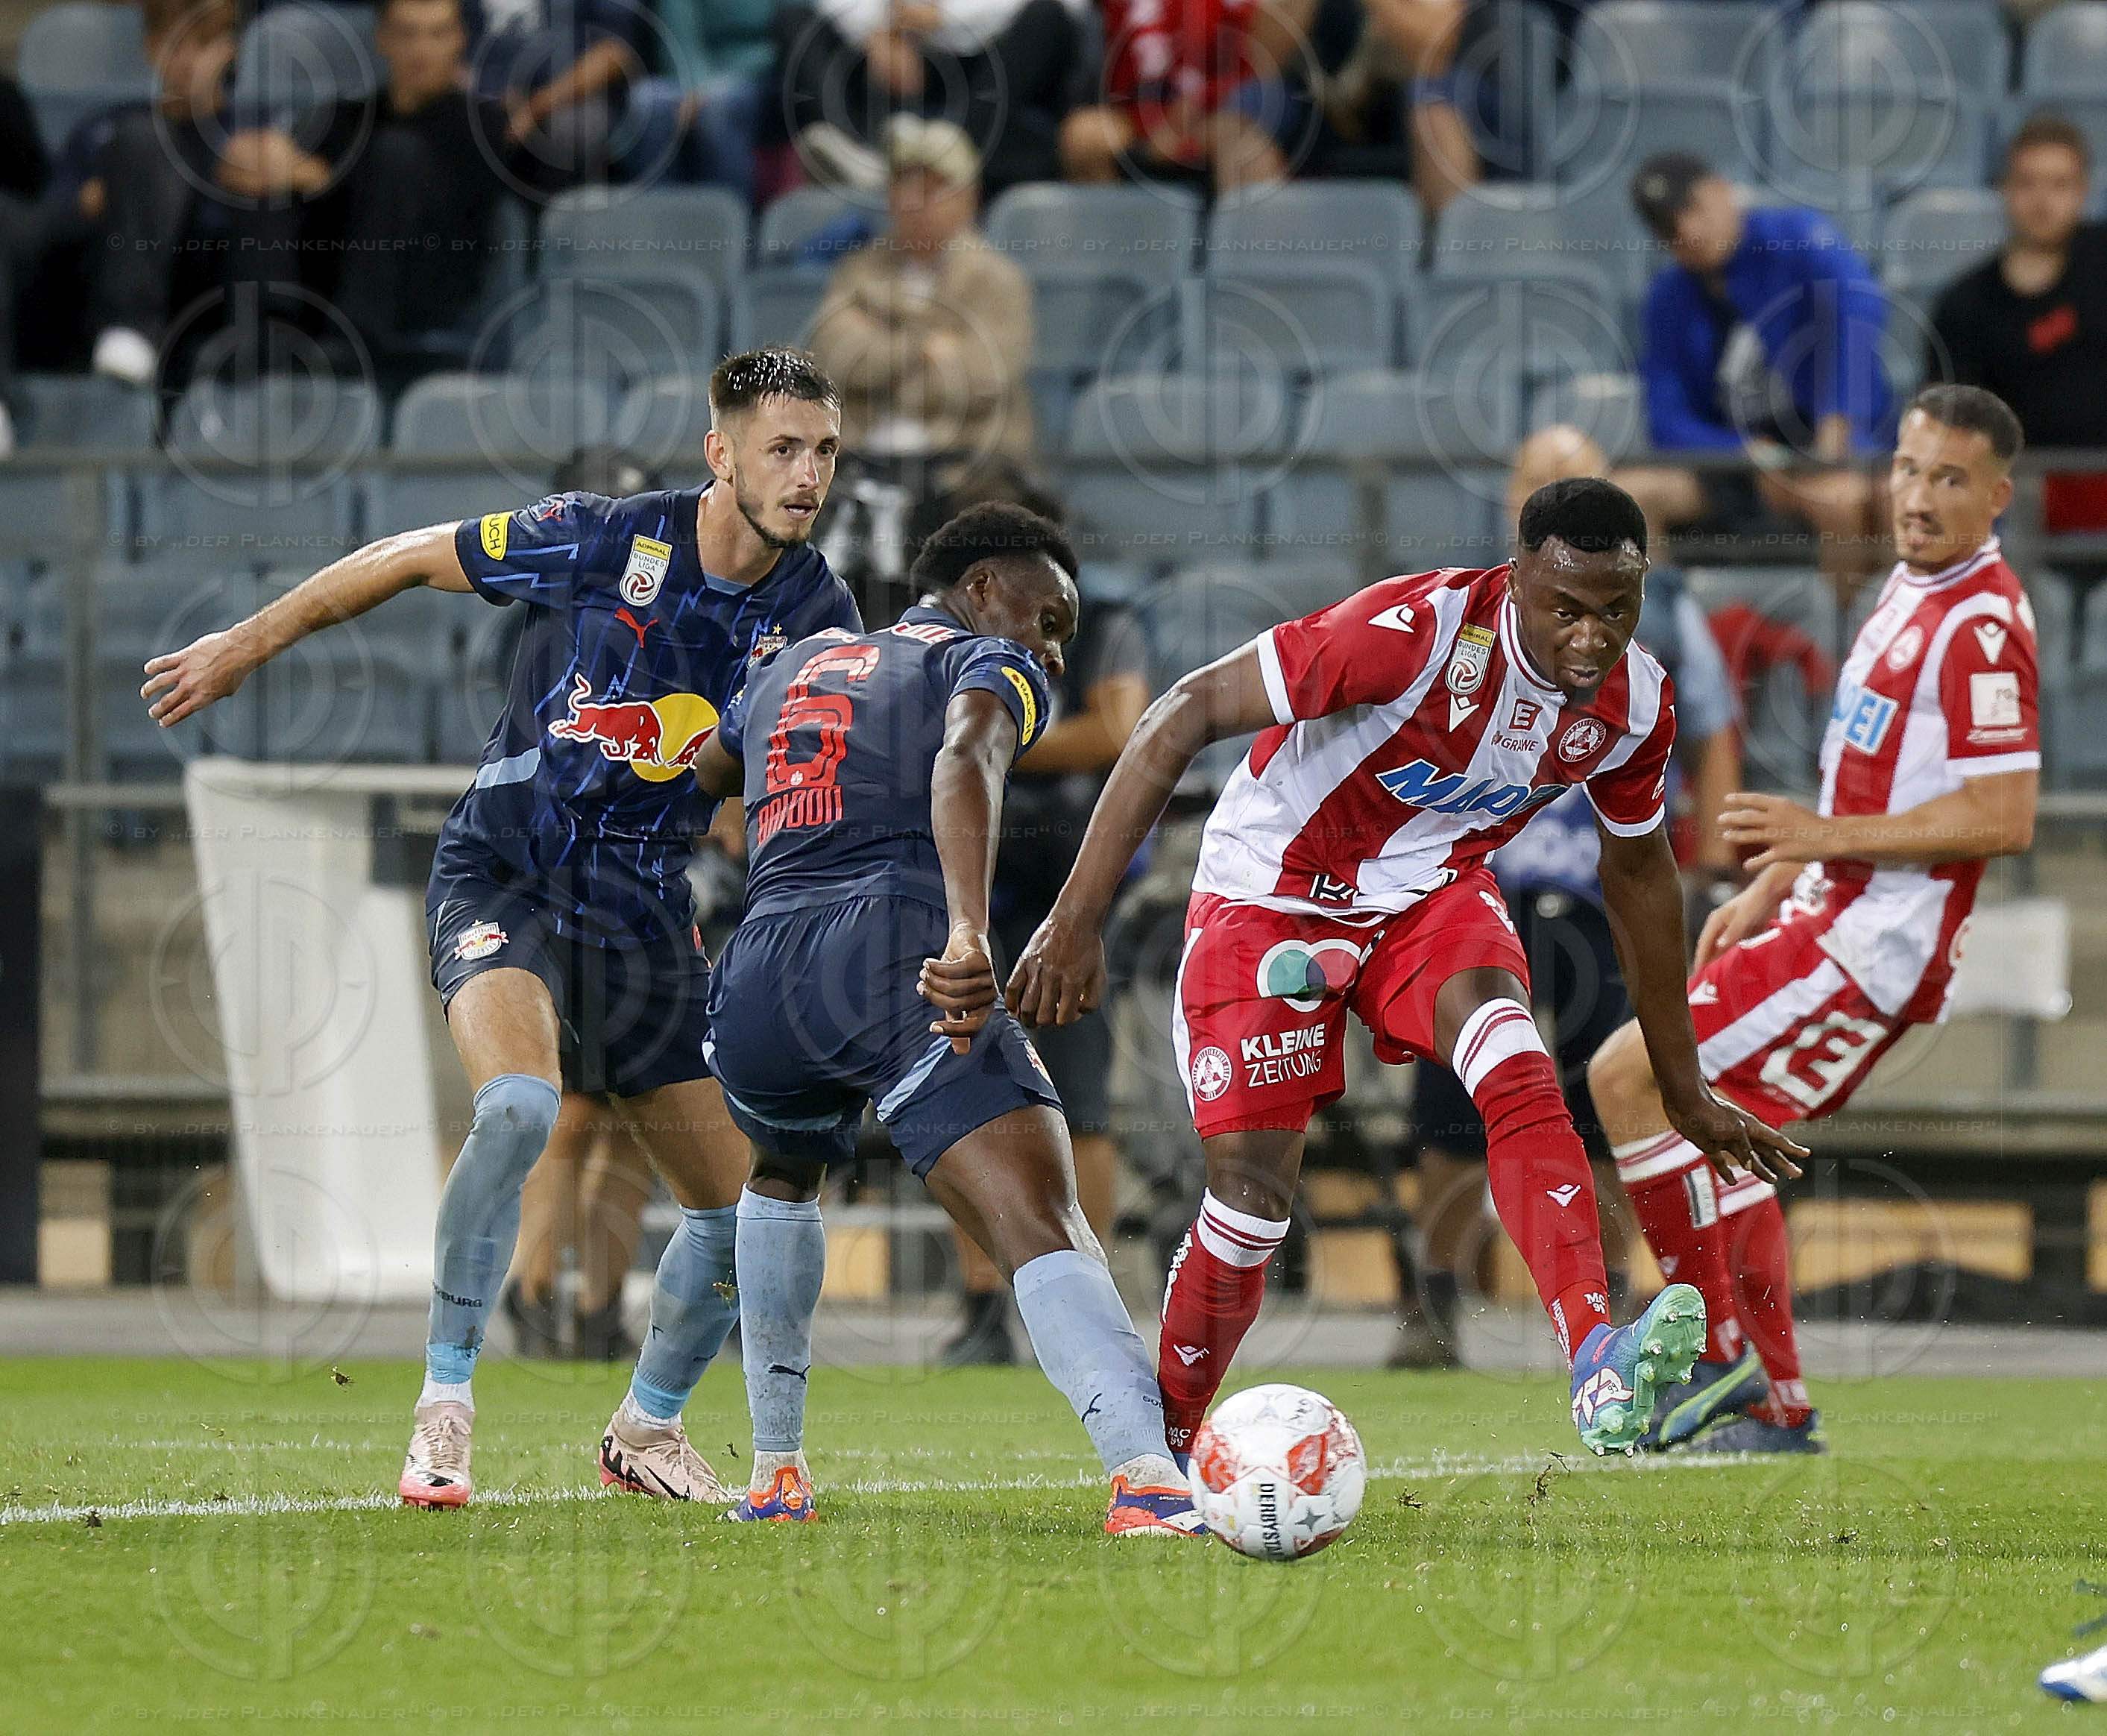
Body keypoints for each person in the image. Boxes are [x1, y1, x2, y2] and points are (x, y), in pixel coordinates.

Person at [139, 349, 861, 1508]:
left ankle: (646, 1427)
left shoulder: (822, 614)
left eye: (824, 450)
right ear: (719, 455)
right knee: (520, 1109)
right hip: (508, 870)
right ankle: (445, 1401)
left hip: (643, 910)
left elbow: (795, 775)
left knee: (742, 1215)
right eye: (782, 448)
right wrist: (242, 645)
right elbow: (402, 556)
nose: (808, 474)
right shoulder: (602, 536)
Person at [1010, 479, 1807, 1459]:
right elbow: (1183, 712)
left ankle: (1596, 1352)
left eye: (1616, 609)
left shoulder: (1635, 705)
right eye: (1566, 608)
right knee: (1252, 1200)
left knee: (1516, 1068)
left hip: (1428, 894)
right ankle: (1162, 1453)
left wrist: (1681, 1088)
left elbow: (1640, 874)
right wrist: (1075, 920)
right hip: (1272, 890)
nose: (1591, 638)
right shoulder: (1412, 634)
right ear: (1516, 579)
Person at [683, 502, 1203, 1535]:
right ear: (981, 590)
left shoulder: (793, 664)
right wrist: (969, 931)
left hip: (757, 975)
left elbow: (706, 769)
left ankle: (775, 1474)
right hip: (889, 951)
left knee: (783, 1173)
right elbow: (966, 758)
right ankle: (1146, 1477)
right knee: (1039, 1213)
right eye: (1047, 620)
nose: (1053, 651)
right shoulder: (983, 660)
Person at [1588, 384, 2042, 1455]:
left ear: (1996, 498)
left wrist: (1819, 841)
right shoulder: (1908, 588)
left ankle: (1716, 1361)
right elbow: (1879, 778)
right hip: (1828, 910)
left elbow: (2004, 814)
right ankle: (1773, 1407)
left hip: (1871, 939)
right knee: (1726, 1131)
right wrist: (1774, 881)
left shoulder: (1980, 624)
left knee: (1630, 1076)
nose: (1917, 496)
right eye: (1908, 469)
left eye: (1949, 479)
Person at [1399, 425, 1742, 1370]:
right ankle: (1432, 1300)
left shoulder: (1663, 610)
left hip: (1599, 889)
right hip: (1483, 882)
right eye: (1541, 479)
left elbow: (1712, 729)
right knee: (1449, 1104)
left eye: (1576, 476)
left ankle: (1620, 1296)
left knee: (1607, 1090)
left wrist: (1712, 857)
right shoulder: (1467, 607)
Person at [941, 505, 1150, 1365]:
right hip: (969, 890)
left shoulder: (1105, 620)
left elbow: (1120, 727)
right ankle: (983, 1310)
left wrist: (991, 742)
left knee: (1079, 1100)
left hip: (1068, 894)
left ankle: (1088, 1304)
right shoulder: (951, 634)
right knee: (959, 1099)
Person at [1617, 151, 1893, 601]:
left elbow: (1859, 310)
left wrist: (1837, 421)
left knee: (1842, 500)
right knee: (1632, 494)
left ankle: (1843, 640)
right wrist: (1743, 452)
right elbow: (1666, 418)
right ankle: (1663, 633)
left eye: (1693, 209)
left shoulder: (1794, 239)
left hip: (1815, 444)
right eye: (1668, 227)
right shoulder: (1668, 297)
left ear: (1722, 192)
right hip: (1734, 459)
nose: (1687, 231)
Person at [213, 0, 525, 390]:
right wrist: (259, 157)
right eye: (407, 34)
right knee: (267, 184)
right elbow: (244, 168)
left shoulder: (482, 124)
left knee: (395, 156)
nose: (421, 50)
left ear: (460, 40)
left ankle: (356, 338)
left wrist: (320, 177)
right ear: (383, 39)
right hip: (329, 279)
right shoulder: (345, 117)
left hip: (423, 289)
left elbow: (448, 205)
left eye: (437, 34)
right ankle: (265, 328)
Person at [807, 117, 1035, 485]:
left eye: (933, 188)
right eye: (903, 186)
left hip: (962, 465)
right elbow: (834, 359)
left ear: (968, 198)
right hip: (860, 460)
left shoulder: (998, 280)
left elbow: (983, 377)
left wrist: (882, 362)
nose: (914, 202)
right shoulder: (858, 271)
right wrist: (926, 347)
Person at [1930, 113, 2107, 540]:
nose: (2043, 201)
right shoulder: (1965, 305)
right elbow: (1955, 430)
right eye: (2027, 183)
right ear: (2004, 189)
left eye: (2060, 184)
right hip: (2022, 500)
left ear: (2083, 191)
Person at [774, 0, 1081, 199]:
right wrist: (878, 31)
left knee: (1046, 16)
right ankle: (863, 163)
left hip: (985, 56)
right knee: (795, 19)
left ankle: (951, 158)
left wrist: (943, 18)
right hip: (888, 57)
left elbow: (1073, 6)